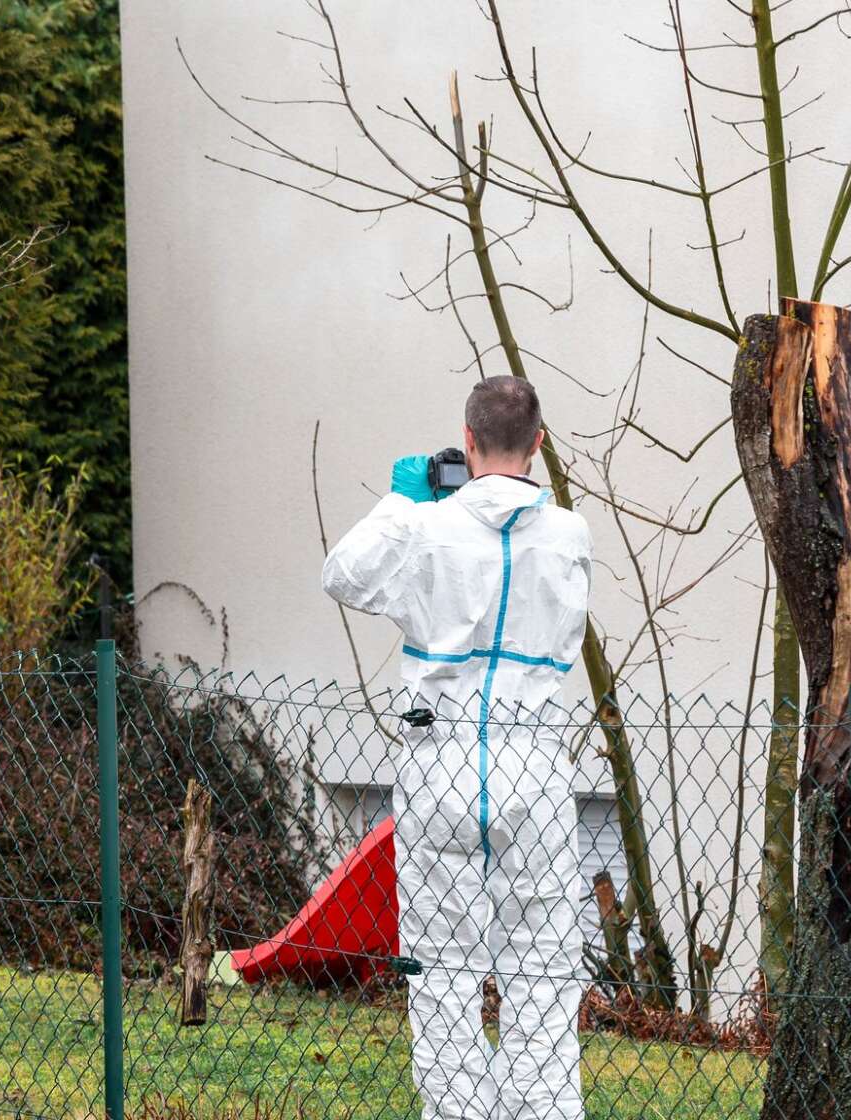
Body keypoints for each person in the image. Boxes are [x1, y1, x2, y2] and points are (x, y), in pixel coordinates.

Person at [321, 377, 590, 1120]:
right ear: (539, 444)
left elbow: (341, 572)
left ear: (465, 442)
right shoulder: (571, 534)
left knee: (443, 970)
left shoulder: (423, 529)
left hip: (439, 758)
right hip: (533, 762)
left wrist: (405, 500)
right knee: (542, 968)